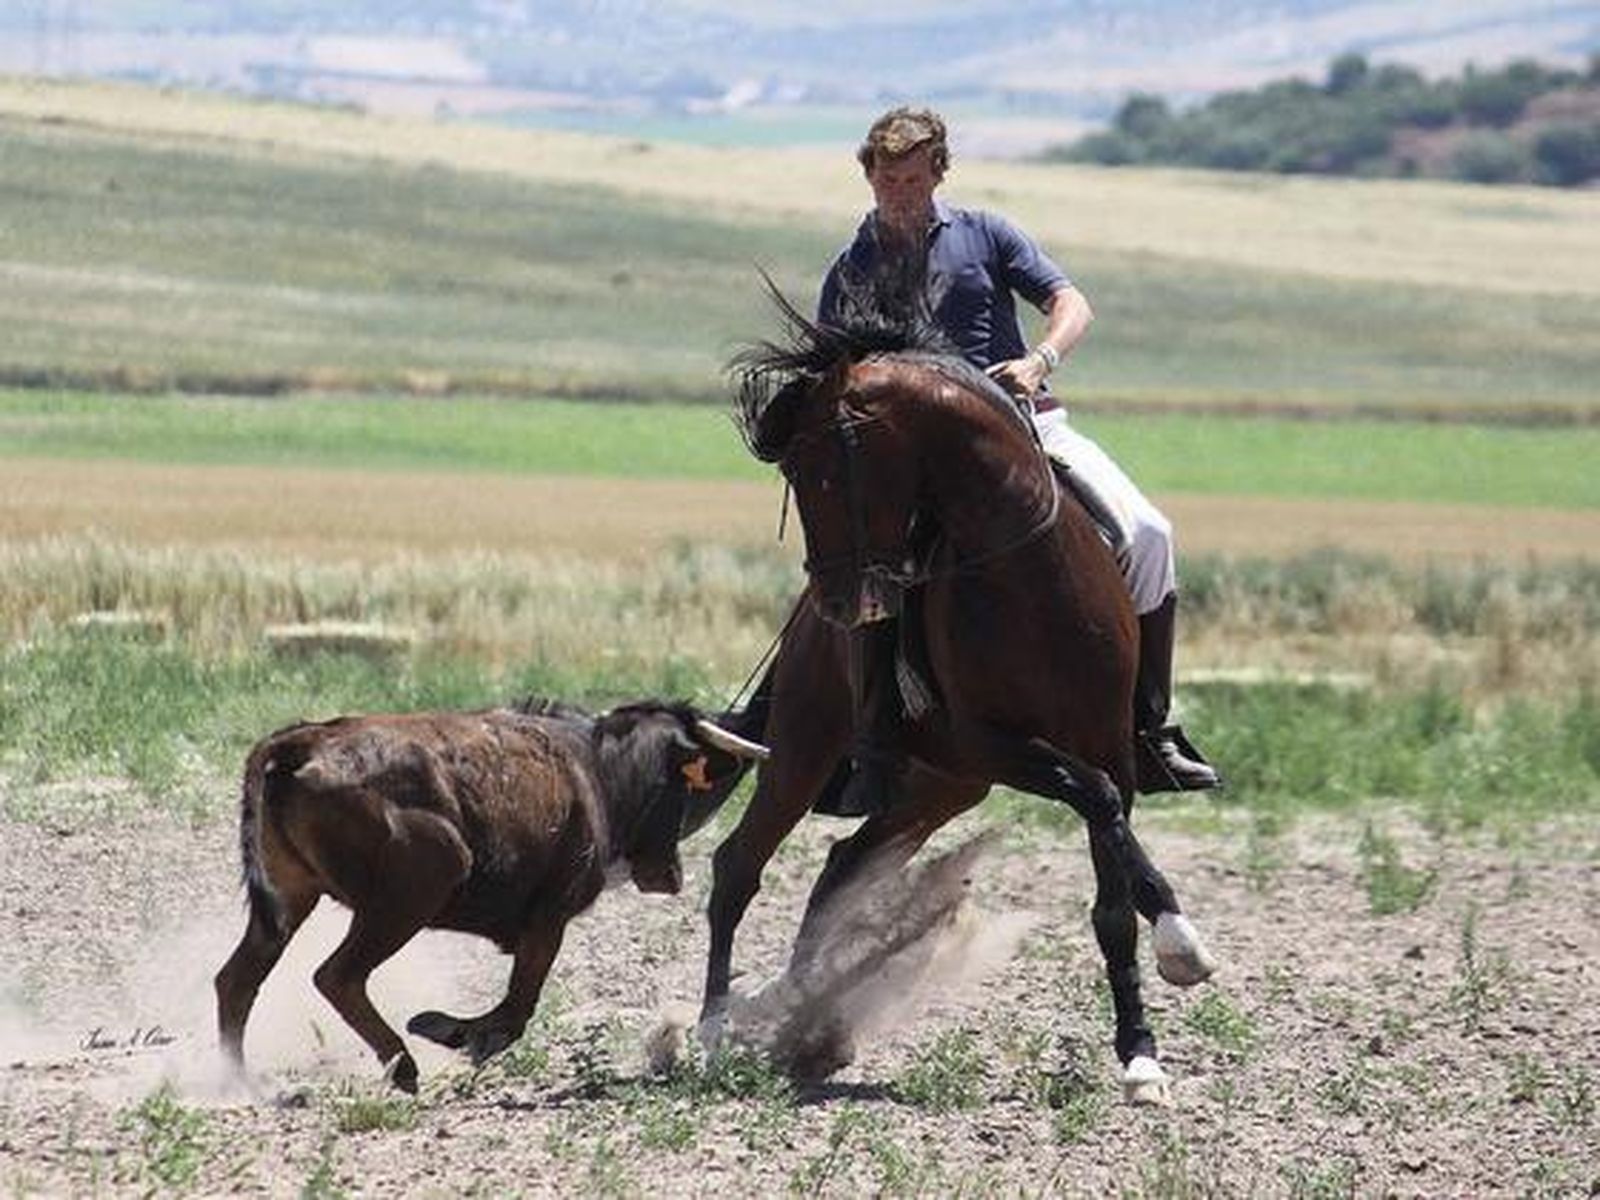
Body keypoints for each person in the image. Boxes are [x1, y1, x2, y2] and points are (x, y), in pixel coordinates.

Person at [815, 105, 1219, 813]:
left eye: (911, 178)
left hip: (1024, 431)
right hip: (915, 472)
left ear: (938, 172)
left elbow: (1072, 302)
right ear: (868, 173)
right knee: (871, 577)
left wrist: (1040, 360)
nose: (897, 192)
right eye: (885, 178)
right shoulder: (851, 271)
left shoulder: (986, 235)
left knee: (1151, 536)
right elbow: (835, 379)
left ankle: (1150, 728)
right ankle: (874, 748)